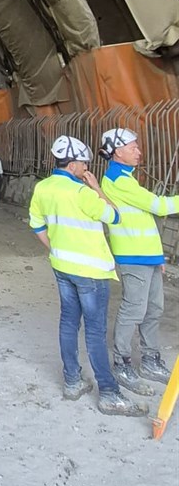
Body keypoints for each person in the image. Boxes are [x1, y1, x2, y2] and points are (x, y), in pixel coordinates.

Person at [28, 135, 146, 416]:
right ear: (72, 165)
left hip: (62, 267)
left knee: (68, 322)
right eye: (83, 164)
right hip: (91, 272)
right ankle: (108, 392)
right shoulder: (82, 193)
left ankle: (72, 381)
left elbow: (36, 225)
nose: (86, 168)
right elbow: (115, 216)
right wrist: (97, 189)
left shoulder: (43, 188)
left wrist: (56, 249)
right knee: (95, 331)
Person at [100, 127, 178, 392]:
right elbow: (158, 207)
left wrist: (158, 256)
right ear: (117, 152)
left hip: (147, 257)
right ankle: (121, 361)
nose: (139, 151)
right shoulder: (118, 180)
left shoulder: (128, 178)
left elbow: (143, 220)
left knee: (153, 308)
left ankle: (149, 359)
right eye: (133, 147)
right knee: (134, 309)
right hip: (132, 257)